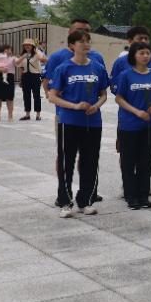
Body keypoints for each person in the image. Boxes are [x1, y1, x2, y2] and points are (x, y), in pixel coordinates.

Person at [43, 20, 107, 205]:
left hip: (91, 118)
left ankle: (87, 194)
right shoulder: (58, 58)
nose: (85, 38)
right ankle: (64, 195)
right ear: (70, 34)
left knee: (89, 157)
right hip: (66, 117)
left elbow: (102, 91)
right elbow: (48, 85)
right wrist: (69, 104)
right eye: (80, 32)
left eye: (87, 33)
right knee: (66, 157)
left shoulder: (97, 59)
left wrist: (96, 105)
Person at [114, 42, 151, 209]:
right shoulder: (126, 75)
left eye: (148, 53)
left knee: (145, 161)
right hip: (130, 125)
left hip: (149, 125)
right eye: (141, 53)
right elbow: (119, 98)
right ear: (134, 56)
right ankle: (131, 196)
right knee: (128, 161)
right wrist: (136, 112)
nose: (145, 56)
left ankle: (143, 195)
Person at [109, 26, 151, 91]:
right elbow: (114, 85)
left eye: (146, 38)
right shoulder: (120, 62)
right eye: (140, 38)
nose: (144, 41)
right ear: (130, 41)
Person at [16, 38, 45, 121]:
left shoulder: (37, 53)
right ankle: (27, 114)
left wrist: (36, 51)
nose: (27, 46)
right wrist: (23, 56)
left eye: (29, 45)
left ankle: (38, 114)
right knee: (26, 95)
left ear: (32, 46)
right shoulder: (23, 54)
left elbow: (41, 59)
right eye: (25, 45)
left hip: (35, 76)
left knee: (36, 95)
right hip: (26, 76)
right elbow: (17, 64)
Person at [0, 45, 17, 122]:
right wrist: (0, 69)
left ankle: (10, 117)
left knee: (10, 98)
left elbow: (18, 63)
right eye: (6, 49)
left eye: (9, 49)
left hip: (9, 78)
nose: (8, 51)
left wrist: (23, 57)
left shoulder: (13, 58)